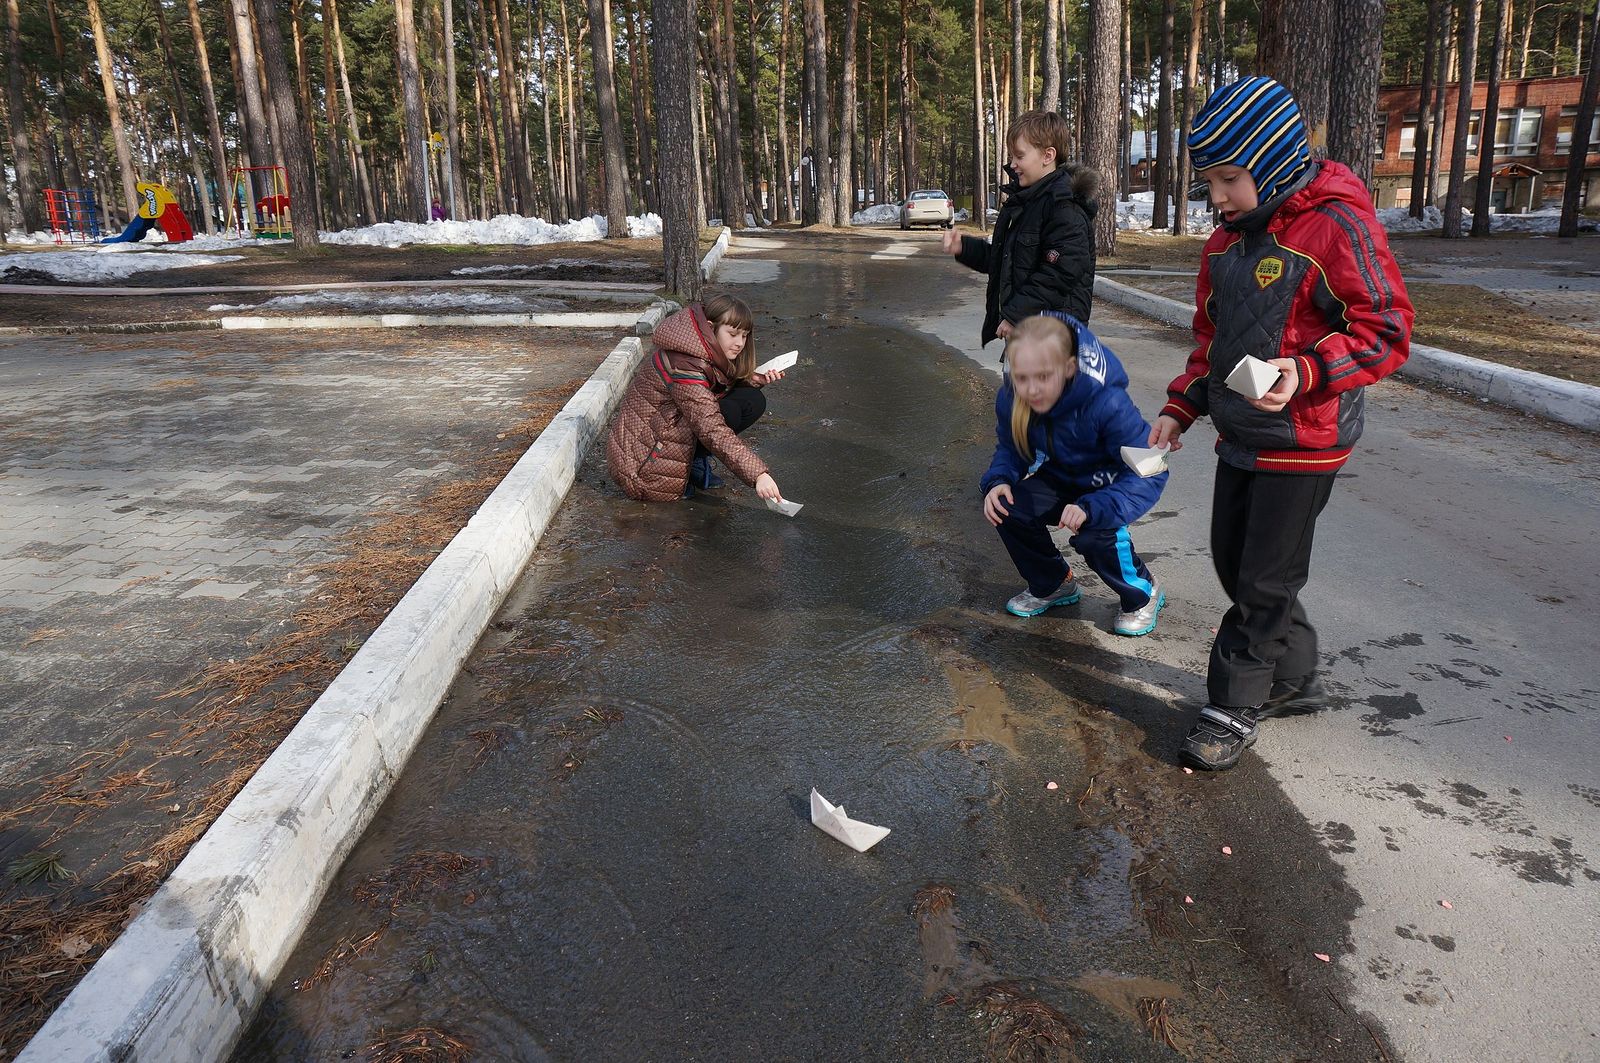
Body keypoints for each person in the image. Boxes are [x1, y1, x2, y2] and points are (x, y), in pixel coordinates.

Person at [1148, 76, 1414, 772]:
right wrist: (1183, 405)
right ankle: (1291, 671)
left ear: (1270, 159)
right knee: (1236, 560)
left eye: (1229, 178)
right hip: (1241, 430)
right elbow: (1211, 339)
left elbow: (1386, 328)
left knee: (1265, 577)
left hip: (1305, 437)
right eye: (1209, 181)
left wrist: (1308, 370)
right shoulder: (1225, 243)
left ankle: (1233, 702)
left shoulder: (1337, 225)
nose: (1218, 197)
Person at [982, 313, 1167, 637]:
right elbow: (1012, 449)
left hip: (1109, 483)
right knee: (1007, 507)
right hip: (1062, 476)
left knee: (1095, 535)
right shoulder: (1012, 397)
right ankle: (1054, 583)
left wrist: (1095, 507)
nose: (1032, 389)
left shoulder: (1107, 403)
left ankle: (1143, 592)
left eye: (1043, 376)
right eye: (1022, 378)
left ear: (1068, 369)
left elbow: (1151, 471)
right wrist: (999, 480)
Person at [606, 293, 787, 503]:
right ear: (710, 328)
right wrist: (758, 475)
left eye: (744, 336)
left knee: (751, 399)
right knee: (724, 415)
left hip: (662, 435)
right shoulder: (685, 364)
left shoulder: (698, 349)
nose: (739, 343)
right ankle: (688, 466)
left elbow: (711, 392)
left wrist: (753, 380)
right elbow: (710, 426)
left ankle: (692, 461)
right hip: (641, 467)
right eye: (733, 334)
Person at [942, 110, 1099, 351]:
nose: (1013, 164)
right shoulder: (1028, 203)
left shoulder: (1065, 209)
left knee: (1029, 390)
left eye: (1020, 156)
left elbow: (1057, 275)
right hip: (1030, 336)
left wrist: (1015, 314)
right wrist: (966, 248)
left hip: (1053, 341)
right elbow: (1010, 261)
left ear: (1048, 155)